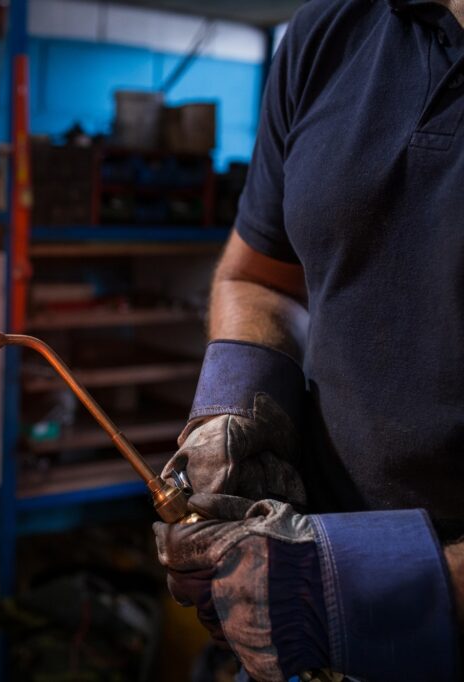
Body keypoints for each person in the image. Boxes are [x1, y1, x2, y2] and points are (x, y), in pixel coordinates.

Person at [153, 0, 464, 680]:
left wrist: (375, 586)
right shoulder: (332, 31)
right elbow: (263, 278)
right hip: (315, 631)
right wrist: (235, 413)